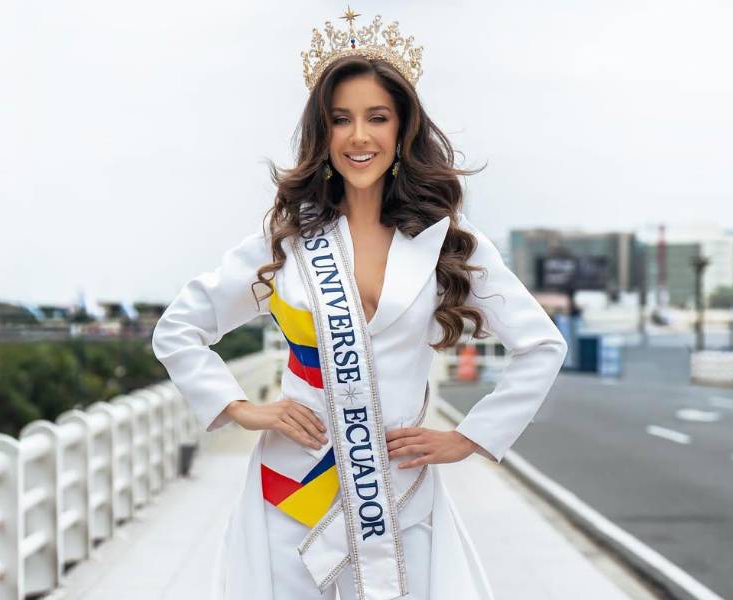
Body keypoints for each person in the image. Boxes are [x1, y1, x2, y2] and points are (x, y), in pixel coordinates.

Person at [151, 7, 568, 600]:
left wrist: (470, 438)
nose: (359, 137)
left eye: (377, 118)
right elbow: (178, 329)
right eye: (341, 120)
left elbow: (542, 345)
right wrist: (241, 408)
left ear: (402, 130)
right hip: (293, 491)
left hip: (397, 493)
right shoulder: (288, 240)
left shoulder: (447, 241)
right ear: (323, 134)